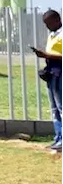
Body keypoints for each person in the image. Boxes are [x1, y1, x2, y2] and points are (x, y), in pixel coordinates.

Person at [31, 9, 63, 152]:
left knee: (61, 108)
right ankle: (58, 138)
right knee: (54, 108)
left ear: (57, 20)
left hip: (60, 73)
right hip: (51, 72)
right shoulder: (52, 34)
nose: (47, 26)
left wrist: (46, 55)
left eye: (48, 23)